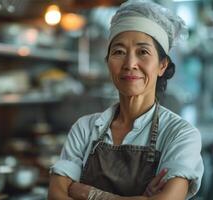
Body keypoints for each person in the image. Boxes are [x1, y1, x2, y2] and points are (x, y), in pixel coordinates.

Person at [48, 0, 204, 199]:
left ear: (162, 65)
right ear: (108, 63)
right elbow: (55, 195)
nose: (130, 64)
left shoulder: (180, 134)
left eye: (143, 52)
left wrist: (87, 193)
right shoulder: (85, 129)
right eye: (119, 52)